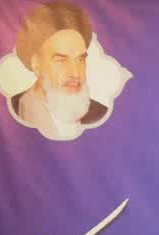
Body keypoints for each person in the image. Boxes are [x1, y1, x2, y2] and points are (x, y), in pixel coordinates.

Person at [10, 2, 107, 140]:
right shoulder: (13, 109)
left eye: (80, 60)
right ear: (36, 63)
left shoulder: (99, 115)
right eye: (62, 60)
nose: (75, 73)